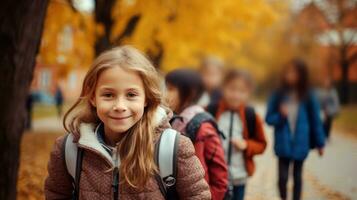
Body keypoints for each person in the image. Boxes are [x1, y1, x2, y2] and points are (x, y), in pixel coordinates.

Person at [44, 46, 211, 199]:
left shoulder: (175, 148)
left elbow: (199, 196)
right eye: (108, 95)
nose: (120, 106)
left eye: (131, 95)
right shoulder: (68, 149)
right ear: (93, 98)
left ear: (147, 98)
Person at [265, 58, 325, 200]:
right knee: (282, 178)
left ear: (302, 75)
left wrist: (320, 143)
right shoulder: (278, 94)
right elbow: (268, 119)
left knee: (297, 177)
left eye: (295, 72)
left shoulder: (308, 95)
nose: (290, 75)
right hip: (283, 143)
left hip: (301, 142)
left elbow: (315, 120)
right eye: (288, 71)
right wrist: (280, 116)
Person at [165, 69, 228, 200]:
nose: (165, 94)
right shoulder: (174, 120)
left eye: (170, 89)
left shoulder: (203, 127)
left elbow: (220, 176)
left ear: (189, 93)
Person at [207, 69, 267, 200]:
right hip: (214, 177)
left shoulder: (251, 115)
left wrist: (246, 145)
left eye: (241, 91)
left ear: (248, 93)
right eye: (232, 89)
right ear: (224, 88)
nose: (235, 95)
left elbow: (262, 144)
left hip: (239, 177)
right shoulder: (211, 110)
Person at [316, 76, 340, 140]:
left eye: (328, 82)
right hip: (321, 110)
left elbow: (335, 102)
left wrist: (331, 110)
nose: (326, 83)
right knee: (321, 122)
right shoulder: (321, 91)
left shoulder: (333, 92)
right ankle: (322, 134)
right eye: (325, 82)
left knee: (328, 121)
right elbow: (318, 100)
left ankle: (327, 135)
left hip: (329, 110)